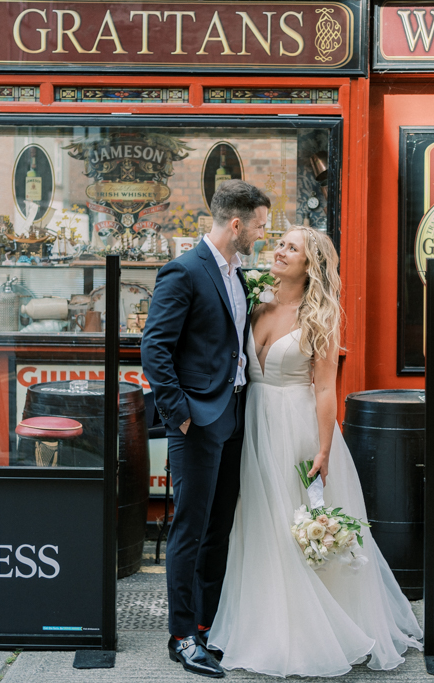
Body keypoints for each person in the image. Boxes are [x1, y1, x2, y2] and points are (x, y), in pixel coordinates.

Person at [208, 226, 424, 677]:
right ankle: (264, 622)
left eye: (292, 248)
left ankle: (320, 627)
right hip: (254, 424)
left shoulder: (319, 316)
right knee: (258, 522)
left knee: (296, 524)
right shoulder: (256, 299)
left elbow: (326, 388)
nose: (280, 251)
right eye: (281, 243)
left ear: (311, 265)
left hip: (298, 428)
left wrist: (324, 450)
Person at [141, 180, 269, 678]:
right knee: (189, 531)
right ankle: (181, 636)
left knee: (218, 529)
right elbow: (155, 348)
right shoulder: (184, 271)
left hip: (233, 417)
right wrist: (181, 413)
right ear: (236, 223)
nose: (262, 233)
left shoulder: (237, 274)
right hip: (197, 421)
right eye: (259, 225)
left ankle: (209, 628)